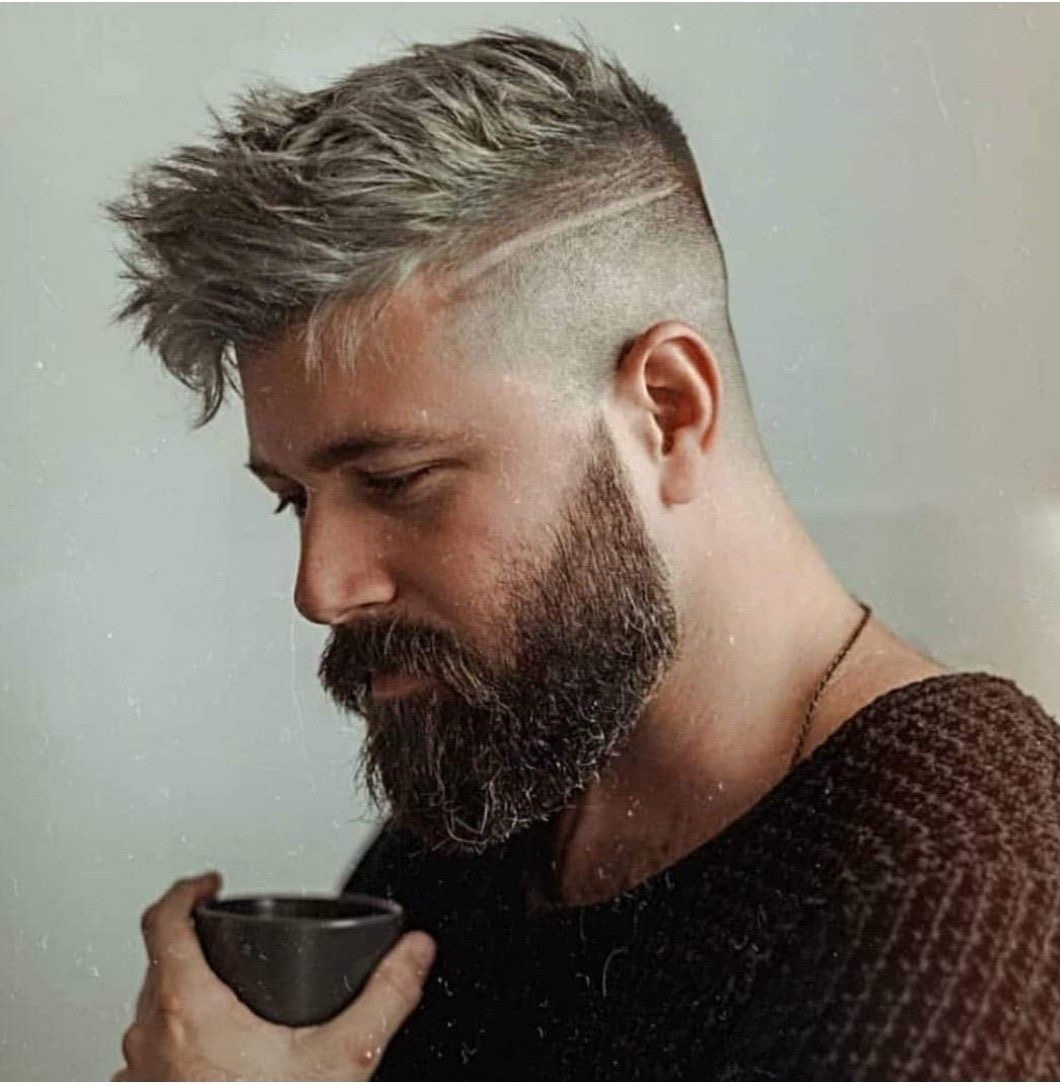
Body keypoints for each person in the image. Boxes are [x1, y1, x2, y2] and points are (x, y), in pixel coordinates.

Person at [107, 29, 1060, 1081]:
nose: (321, 589)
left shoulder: (960, 887)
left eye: (395, 481)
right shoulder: (508, 776)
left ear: (668, 412)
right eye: (294, 501)